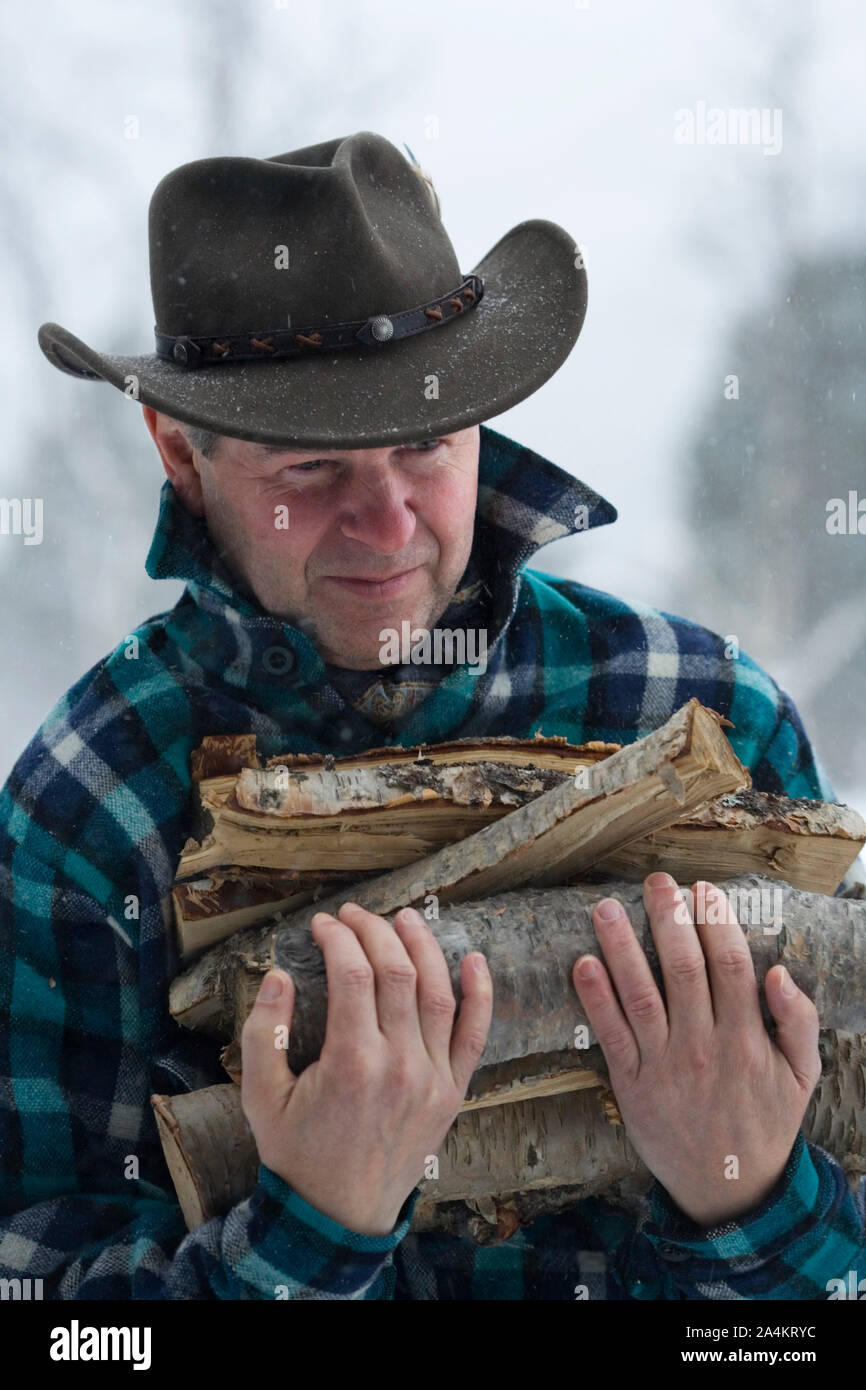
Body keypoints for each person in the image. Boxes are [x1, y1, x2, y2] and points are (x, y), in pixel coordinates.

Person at [1, 132, 863, 1300]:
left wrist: (751, 1196)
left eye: (421, 444)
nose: (388, 523)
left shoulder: (708, 712)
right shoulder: (90, 803)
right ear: (181, 455)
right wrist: (309, 1232)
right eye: (308, 469)